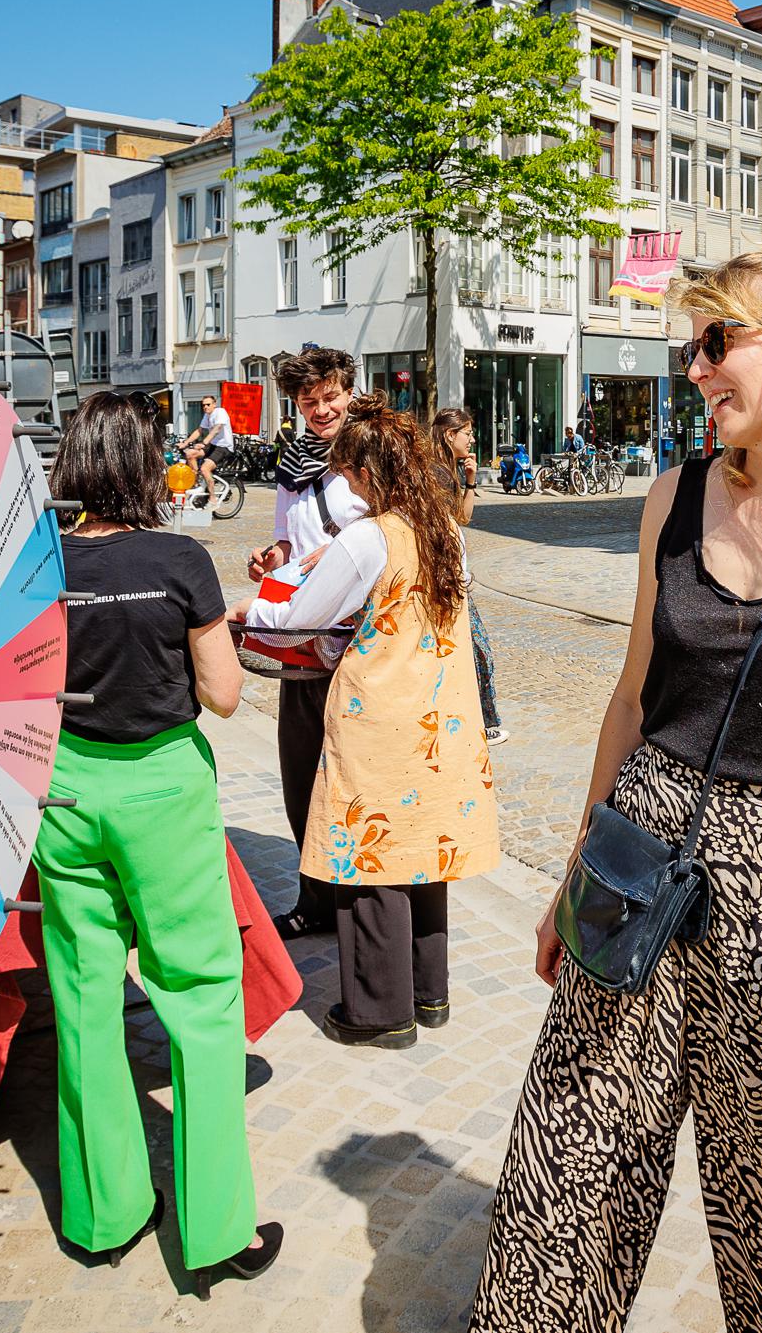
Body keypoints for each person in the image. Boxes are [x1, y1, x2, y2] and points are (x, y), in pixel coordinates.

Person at [471, 220, 762, 1333]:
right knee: (565, 1174)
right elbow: (632, 699)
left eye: (717, 340)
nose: (695, 368)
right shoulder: (673, 500)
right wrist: (571, 873)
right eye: (692, 344)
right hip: (638, 856)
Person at [37, 390, 281, 1285]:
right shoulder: (179, 558)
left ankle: (103, 1213)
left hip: (63, 788)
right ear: (147, 466)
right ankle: (218, 1230)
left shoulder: (39, 564)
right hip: (162, 790)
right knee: (202, 1000)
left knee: (84, 998)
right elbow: (222, 694)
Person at [238, 401, 498, 1047]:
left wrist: (249, 608)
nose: (343, 484)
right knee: (422, 847)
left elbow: (301, 616)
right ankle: (427, 991)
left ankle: (380, 1011)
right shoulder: (439, 524)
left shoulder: (368, 534)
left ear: (362, 468)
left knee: (370, 853)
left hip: (377, 708)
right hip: (435, 709)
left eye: (345, 473)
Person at [246, 350, 370, 941]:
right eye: (308, 402)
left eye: (330, 397)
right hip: (303, 640)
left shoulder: (372, 453)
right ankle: (315, 898)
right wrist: (275, 555)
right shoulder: (291, 460)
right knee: (301, 773)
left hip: (358, 643)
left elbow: (395, 528)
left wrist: (340, 552)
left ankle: (363, 905)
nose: (321, 410)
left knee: (351, 778)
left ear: (350, 391)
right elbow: (288, 536)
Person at [431, 407, 506, 744]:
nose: (472, 439)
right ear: (450, 435)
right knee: (476, 651)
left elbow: (461, 517)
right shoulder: (437, 474)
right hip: (446, 580)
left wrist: (471, 481)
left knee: (467, 650)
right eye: (468, 433)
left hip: (451, 577)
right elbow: (441, 528)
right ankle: (479, 723)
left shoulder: (447, 471)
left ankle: (470, 720)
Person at [179, 391, 236, 521]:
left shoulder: (220, 412)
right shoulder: (207, 415)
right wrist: (185, 443)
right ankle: (197, 484)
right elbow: (199, 431)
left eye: (208, 404)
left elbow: (217, 428)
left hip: (224, 446)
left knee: (205, 469)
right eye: (203, 405)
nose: (205, 407)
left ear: (214, 404)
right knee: (190, 454)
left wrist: (204, 442)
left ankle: (212, 499)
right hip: (213, 444)